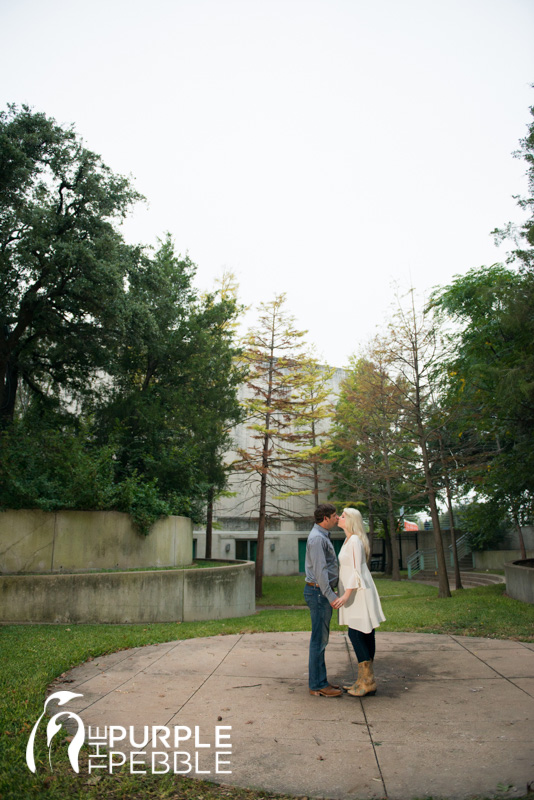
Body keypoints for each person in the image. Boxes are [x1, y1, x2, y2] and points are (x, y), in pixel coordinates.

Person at [334, 508, 386, 697]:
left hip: (359, 592)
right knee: (364, 633)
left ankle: (368, 680)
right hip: (354, 591)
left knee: (357, 633)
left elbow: (356, 571)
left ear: (351, 521)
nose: (339, 518)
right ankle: (363, 680)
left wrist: (346, 595)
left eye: (342, 516)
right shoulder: (349, 540)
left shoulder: (354, 540)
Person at [304, 503, 342, 697]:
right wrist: (331, 596)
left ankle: (320, 680)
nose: (337, 518)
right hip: (319, 593)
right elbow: (320, 572)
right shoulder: (317, 539)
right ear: (325, 518)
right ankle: (318, 685)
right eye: (334, 515)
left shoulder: (321, 536)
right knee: (319, 640)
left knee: (321, 639)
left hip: (319, 593)